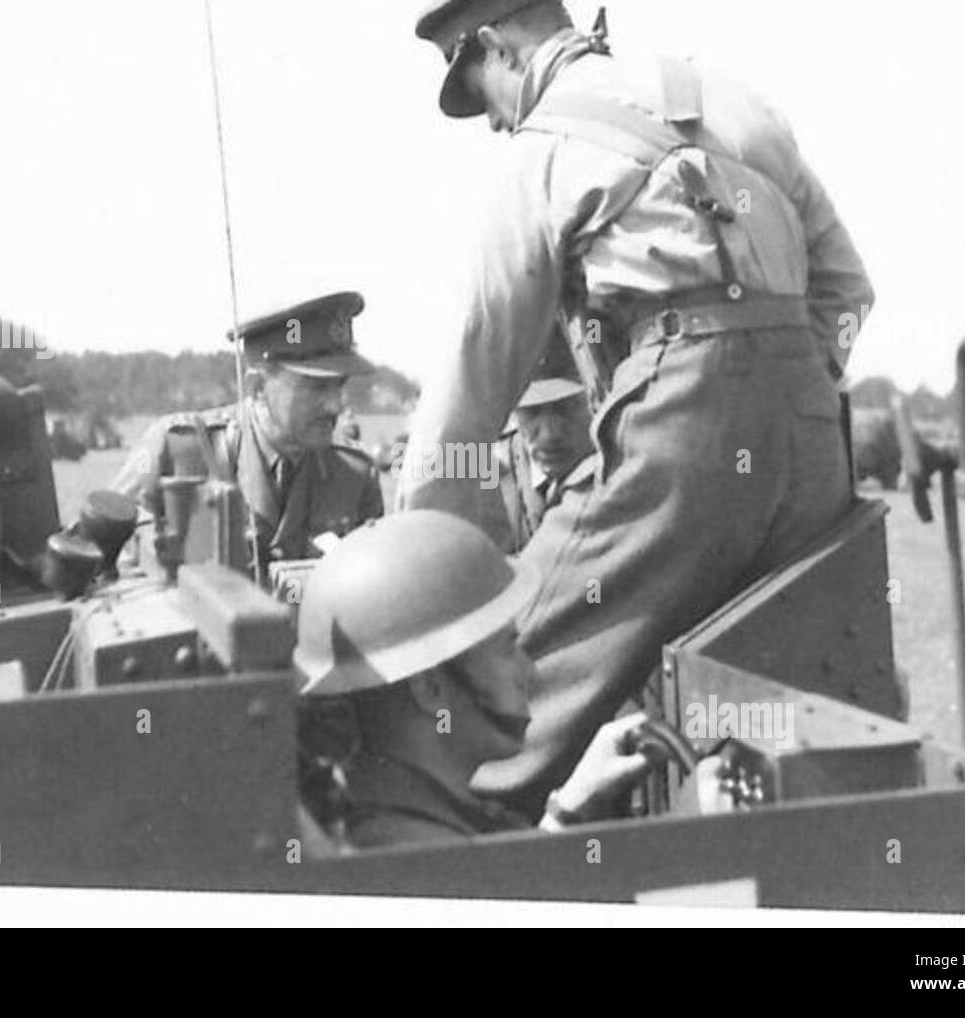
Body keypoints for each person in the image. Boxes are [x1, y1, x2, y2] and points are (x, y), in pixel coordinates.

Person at [403, 1, 873, 816]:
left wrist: (420, 560)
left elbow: (476, 377)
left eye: (479, 93)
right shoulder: (736, 98)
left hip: (685, 430)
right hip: (812, 428)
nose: (489, 124)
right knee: (785, 675)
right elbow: (845, 288)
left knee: (506, 675)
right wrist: (784, 381)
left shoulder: (541, 151)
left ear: (493, 46)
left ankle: (440, 844)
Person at [295, 509, 654, 848]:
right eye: (507, 649)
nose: (528, 671)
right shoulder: (416, 852)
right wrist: (687, 837)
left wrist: (568, 813)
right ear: (431, 689)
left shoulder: (392, 813)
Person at [112, 292, 384, 580]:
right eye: (316, 387)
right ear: (257, 387)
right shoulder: (175, 449)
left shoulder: (355, 476)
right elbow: (100, 561)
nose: (337, 405)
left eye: (339, 386)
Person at [498, 368, 594, 552]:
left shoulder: (621, 461)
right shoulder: (492, 474)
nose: (549, 435)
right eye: (531, 412)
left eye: (566, 408)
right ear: (513, 415)